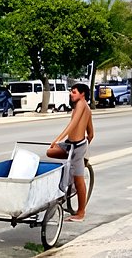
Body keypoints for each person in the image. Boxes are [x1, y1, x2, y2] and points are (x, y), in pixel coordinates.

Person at [47, 83, 94, 221]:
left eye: (74, 92)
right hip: (69, 145)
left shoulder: (82, 105)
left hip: (77, 147)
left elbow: (73, 124)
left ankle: (80, 213)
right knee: (50, 152)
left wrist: (58, 139)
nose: (71, 94)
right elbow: (91, 134)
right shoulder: (81, 107)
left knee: (79, 179)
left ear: (82, 94)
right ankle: (72, 171)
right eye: (71, 92)